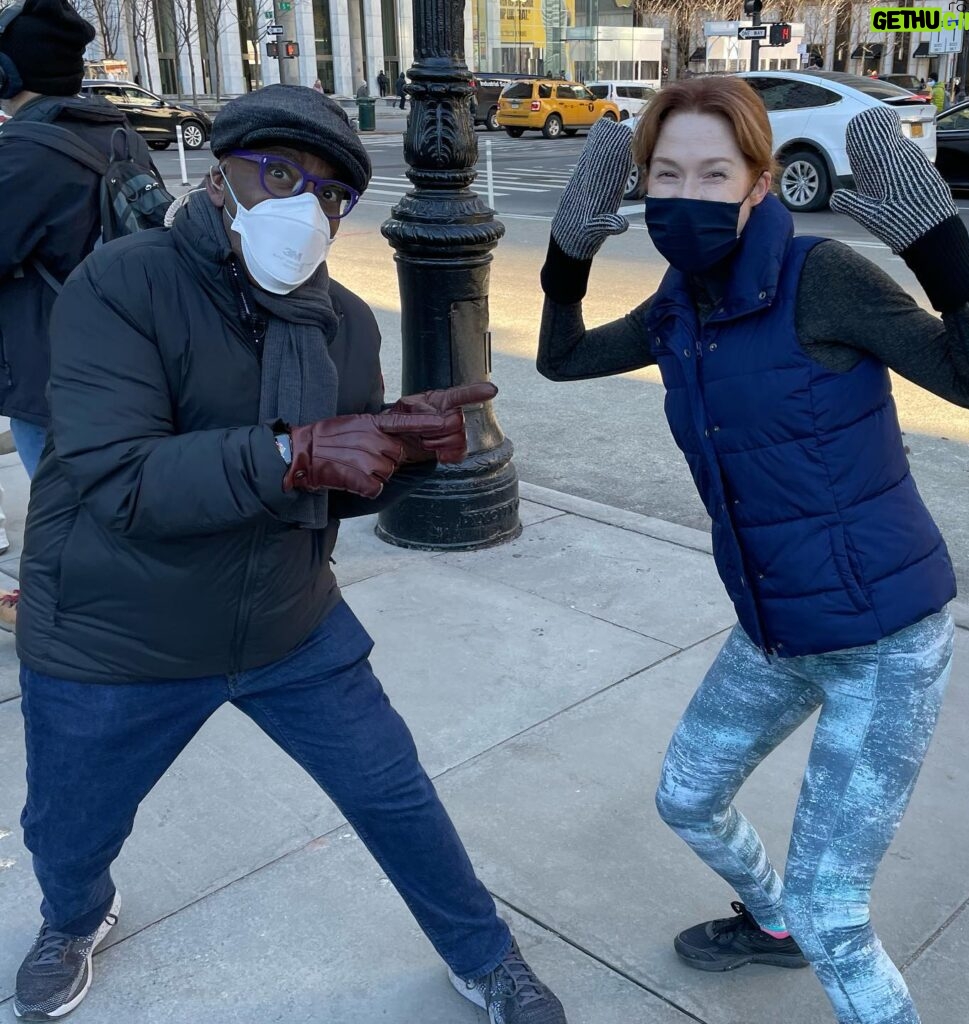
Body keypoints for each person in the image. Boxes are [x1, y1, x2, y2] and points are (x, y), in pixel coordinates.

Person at [12, 84, 567, 1024]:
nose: (302, 206)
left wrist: (395, 449)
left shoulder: (343, 324)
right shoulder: (122, 284)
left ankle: (485, 955)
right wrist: (296, 450)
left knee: (395, 795)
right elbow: (121, 479)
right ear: (221, 175)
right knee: (69, 827)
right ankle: (73, 917)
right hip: (115, 635)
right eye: (279, 173)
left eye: (329, 193)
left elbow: (335, 485)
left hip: (286, 620)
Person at [536, 81, 969, 1024]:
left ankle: (803, 925)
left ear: (759, 183)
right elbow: (559, 359)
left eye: (714, 173)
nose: (690, 193)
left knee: (835, 911)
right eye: (665, 174)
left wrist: (939, 251)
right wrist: (568, 251)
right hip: (778, 630)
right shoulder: (680, 308)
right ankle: (771, 926)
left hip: (886, 642)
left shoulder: (824, 278)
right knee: (686, 797)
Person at [0, 0, 143, 627]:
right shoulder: (116, 130)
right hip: (125, 351)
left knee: (62, 494)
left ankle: (84, 608)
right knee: (107, 484)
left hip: (48, 362)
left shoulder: (25, 150)